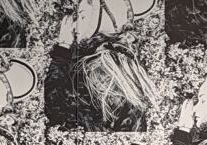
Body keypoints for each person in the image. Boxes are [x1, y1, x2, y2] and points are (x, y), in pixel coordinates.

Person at [44, 0, 158, 132]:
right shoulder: (107, 59)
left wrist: (62, 49)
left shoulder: (104, 66)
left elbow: (56, 108)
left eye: (82, 16)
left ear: (107, 19)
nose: (75, 25)